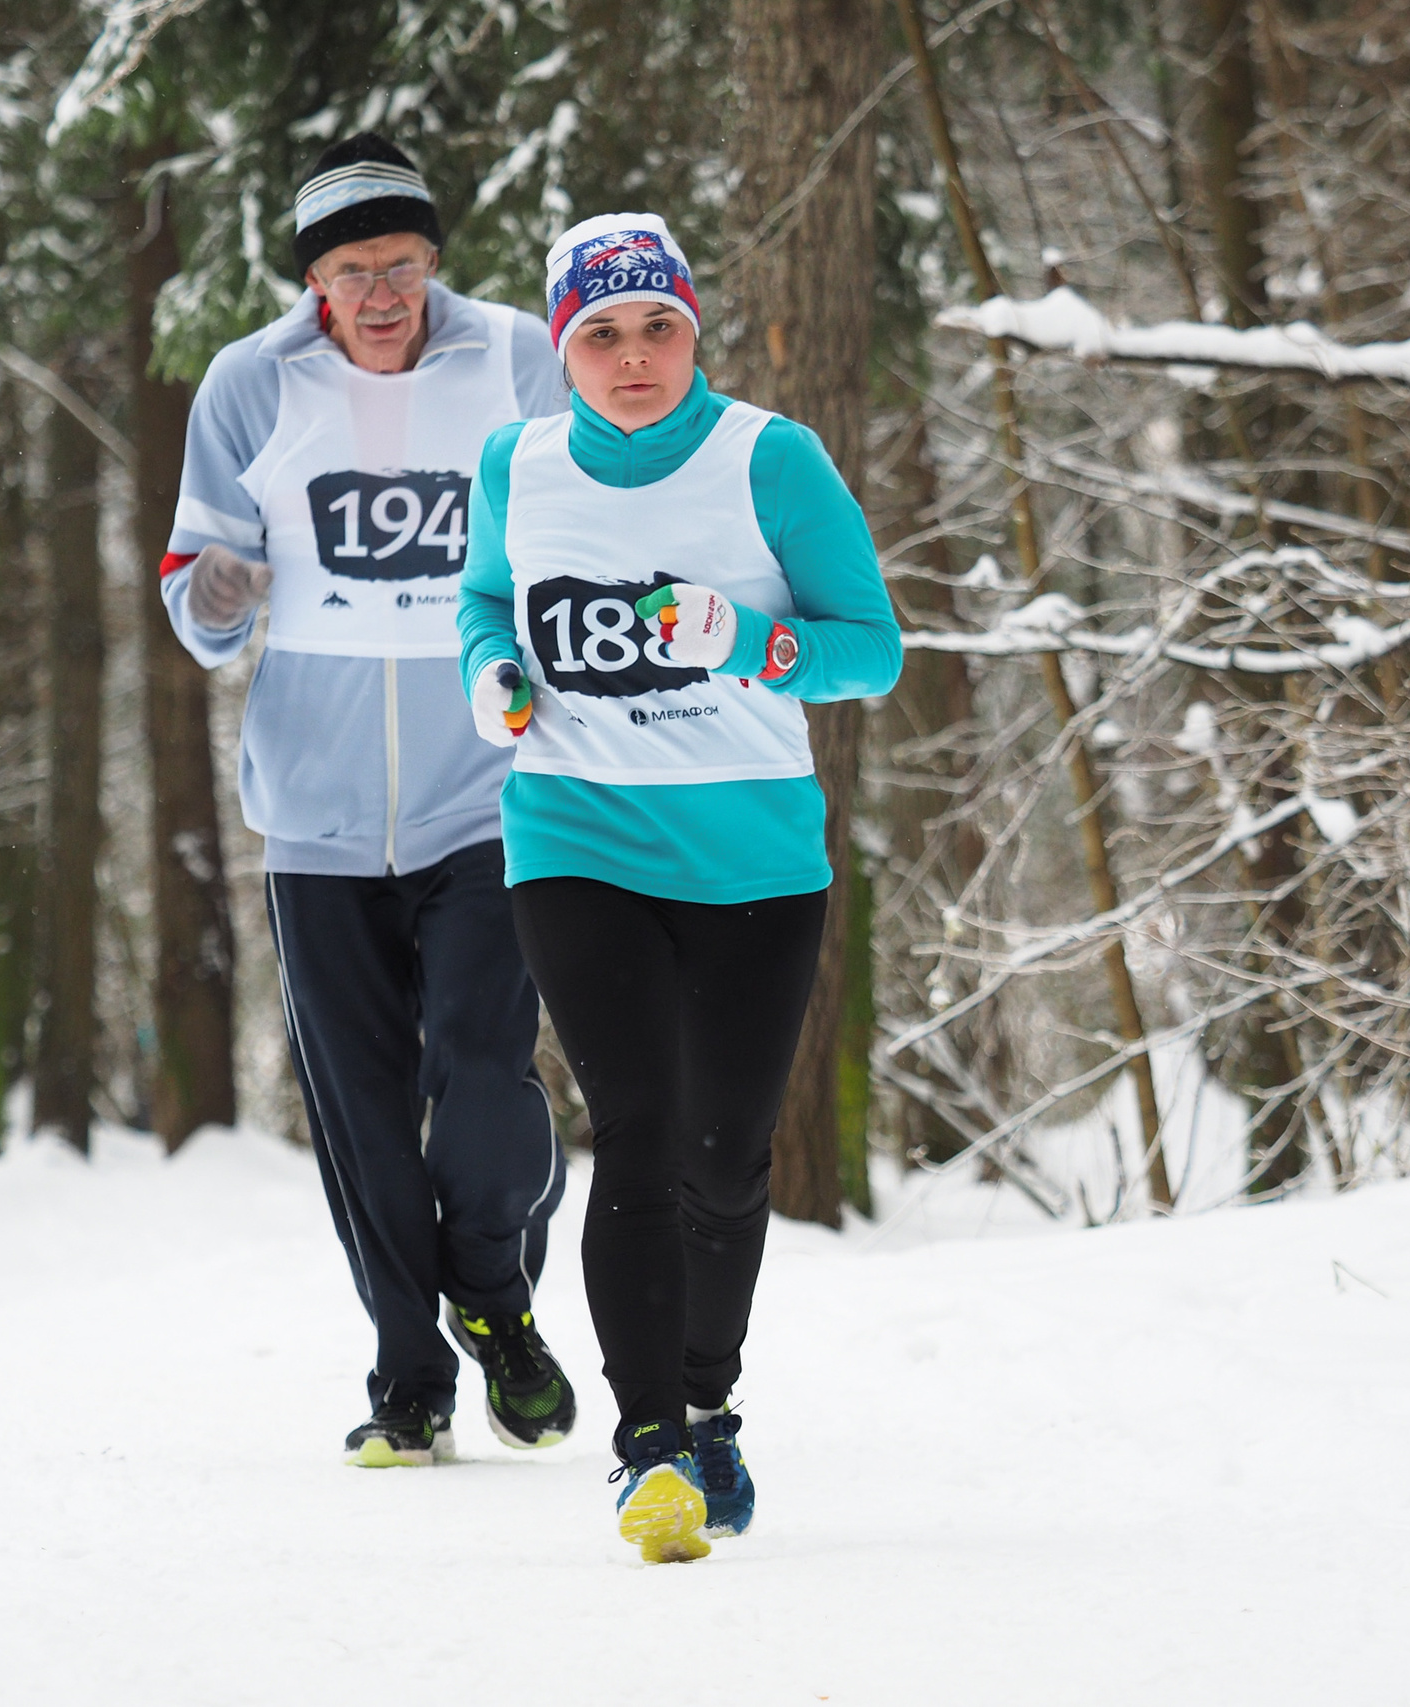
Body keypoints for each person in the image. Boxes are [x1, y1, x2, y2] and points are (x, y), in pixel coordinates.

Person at [455, 213, 901, 1560]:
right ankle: (647, 1442)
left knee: (726, 1151)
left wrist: (754, 642)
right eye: (601, 332)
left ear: (691, 330)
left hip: (757, 859)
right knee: (638, 1127)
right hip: (576, 836)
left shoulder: (771, 458)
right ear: (564, 346)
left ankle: (710, 1399)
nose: (632, 356)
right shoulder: (514, 464)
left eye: (657, 327)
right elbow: (487, 601)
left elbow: (868, 649)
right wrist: (493, 680)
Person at [162, 131, 576, 1466]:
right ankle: (410, 1376)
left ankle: (496, 1299)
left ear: (435, 259)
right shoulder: (248, 385)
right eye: (354, 271)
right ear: (315, 283)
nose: (384, 294)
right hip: (318, 812)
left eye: (402, 263)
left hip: (491, 791)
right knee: (363, 1111)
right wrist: (214, 595)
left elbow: (590, 517)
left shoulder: (516, 358)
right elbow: (195, 580)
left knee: (485, 1074)